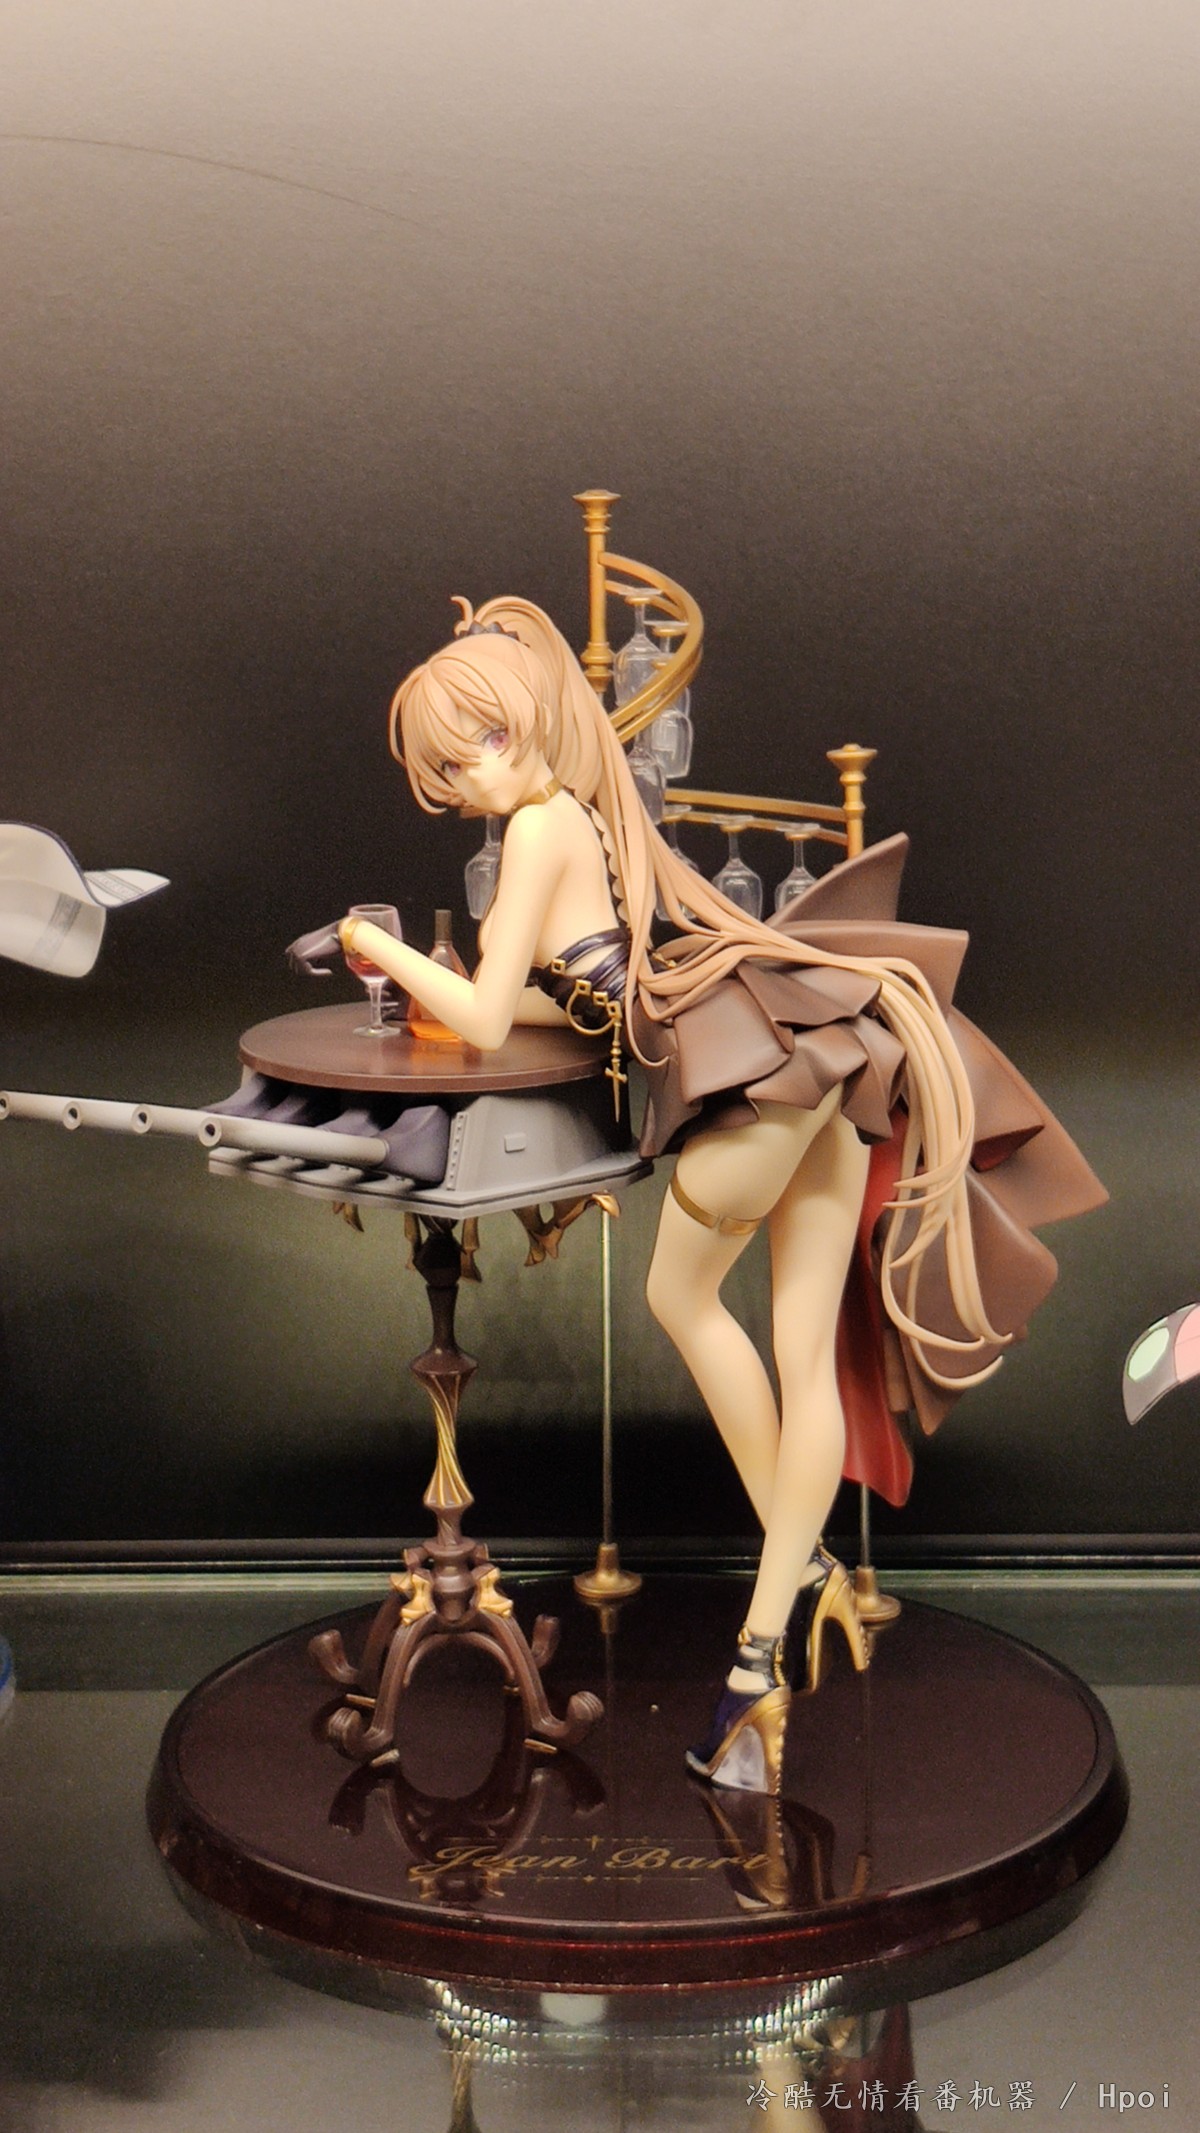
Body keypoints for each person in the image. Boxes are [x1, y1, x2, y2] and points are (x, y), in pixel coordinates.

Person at [323, 596, 1104, 1796]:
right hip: (815, 1062)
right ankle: (794, 1608)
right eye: (446, 771)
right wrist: (454, 991)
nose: (463, 786)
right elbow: (574, 993)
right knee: (798, 1351)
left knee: (682, 1301)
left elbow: (484, 1016)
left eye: (466, 756)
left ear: (516, 726)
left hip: (754, 1088)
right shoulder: (589, 815)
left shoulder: (537, 829)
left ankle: (763, 1652)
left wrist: (377, 950)